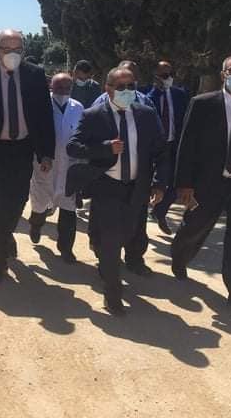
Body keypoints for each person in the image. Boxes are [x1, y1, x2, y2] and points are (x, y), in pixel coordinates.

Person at [171, 55, 231, 317]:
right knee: (195, 227)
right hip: (209, 182)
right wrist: (185, 184)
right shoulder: (203, 104)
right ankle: (180, 256)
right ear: (223, 74)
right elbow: (187, 145)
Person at [67, 67, 168, 315]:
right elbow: (73, 147)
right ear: (108, 88)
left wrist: (159, 183)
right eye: (120, 87)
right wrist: (105, 148)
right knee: (112, 242)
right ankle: (113, 294)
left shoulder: (146, 114)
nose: (126, 91)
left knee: (127, 235)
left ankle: (103, 254)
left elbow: (161, 151)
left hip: (137, 188)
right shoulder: (94, 115)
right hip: (107, 187)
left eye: (131, 86)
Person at [0, 29, 55, 283]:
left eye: (18, 49)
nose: (13, 54)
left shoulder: (35, 75)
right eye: (7, 49)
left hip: (23, 148)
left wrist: (46, 153)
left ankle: (5, 235)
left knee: (19, 199)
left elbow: (45, 116)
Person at [89, 59, 157, 276]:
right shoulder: (100, 103)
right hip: (107, 177)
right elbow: (88, 139)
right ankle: (106, 260)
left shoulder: (146, 103)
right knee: (104, 223)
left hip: (137, 176)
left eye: (131, 81)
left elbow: (155, 138)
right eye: (121, 83)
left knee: (137, 220)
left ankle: (134, 258)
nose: (126, 88)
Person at [27, 72, 84, 263]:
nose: (63, 91)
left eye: (67, 88)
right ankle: (36, 225)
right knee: (39, 205)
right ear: (51, 86)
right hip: (44, 166)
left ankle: (66, 248)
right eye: (59, 87)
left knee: (68, 210)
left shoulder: (78, 108)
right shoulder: (41, 106)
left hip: (69, 167)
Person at [145, 60, 188, 235]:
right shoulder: (148, 94)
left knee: (175, 182)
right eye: (164, 75)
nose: (168, 78)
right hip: (153, 147)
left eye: (171, 74)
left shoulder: (180, 94)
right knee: (150, 181)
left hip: (173, 144)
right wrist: (157, 90)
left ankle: (160, 211)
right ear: (155, 75)